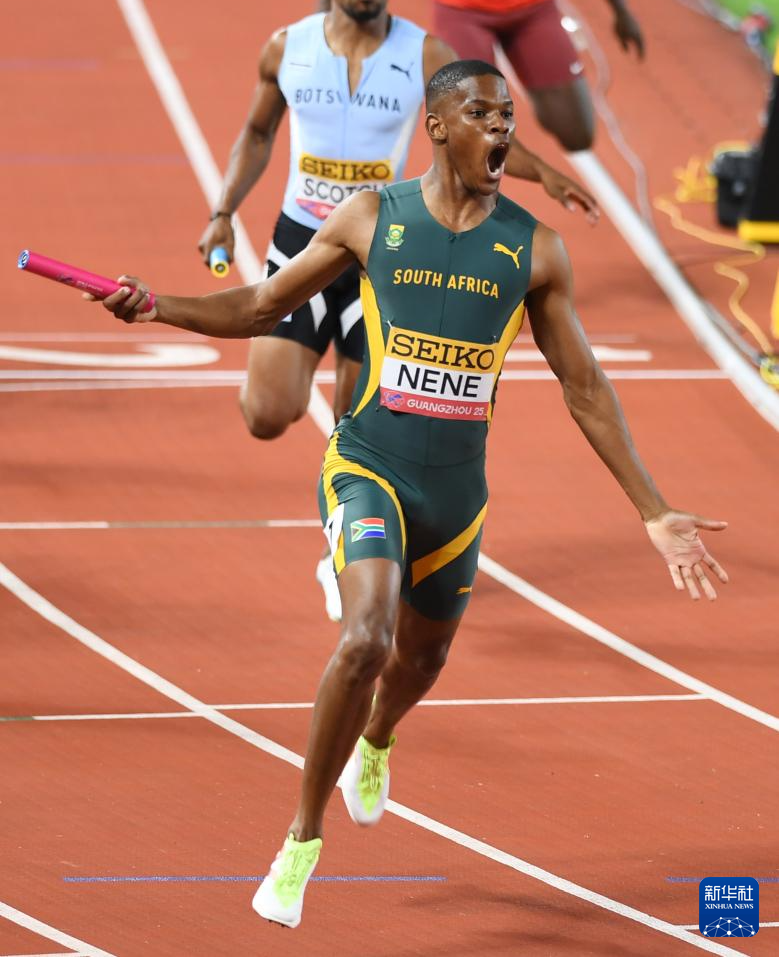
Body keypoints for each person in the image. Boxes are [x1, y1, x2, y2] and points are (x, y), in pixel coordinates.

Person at [96, 59, 727, 930]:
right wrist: (157, 305)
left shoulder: (533, 249)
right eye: (481, 114)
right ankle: (300, 841)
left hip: (455, 500)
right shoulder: (371, 218)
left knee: (418, 664)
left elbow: (583, 385)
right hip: (368, 464)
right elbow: (262, 307)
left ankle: (378, 736)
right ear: (436, 126)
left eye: (506, 116)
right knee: (364, 636)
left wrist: (651, 508)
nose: (500, 129)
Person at [198, 0, 598, 618]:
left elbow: (483, 125)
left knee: (359, 417)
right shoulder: (287, 47)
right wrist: (222, 211)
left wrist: (547, 175)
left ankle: (347, 546)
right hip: (304, 238)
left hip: (377, 251)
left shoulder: (423, 53)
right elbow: (258, 133)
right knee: (267, 413)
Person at [429, 0, 645, 150]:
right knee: (472, 137)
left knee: (578, 134)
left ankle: (535, 82)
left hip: (531, 5)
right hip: (462, 8)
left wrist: (620, 8)